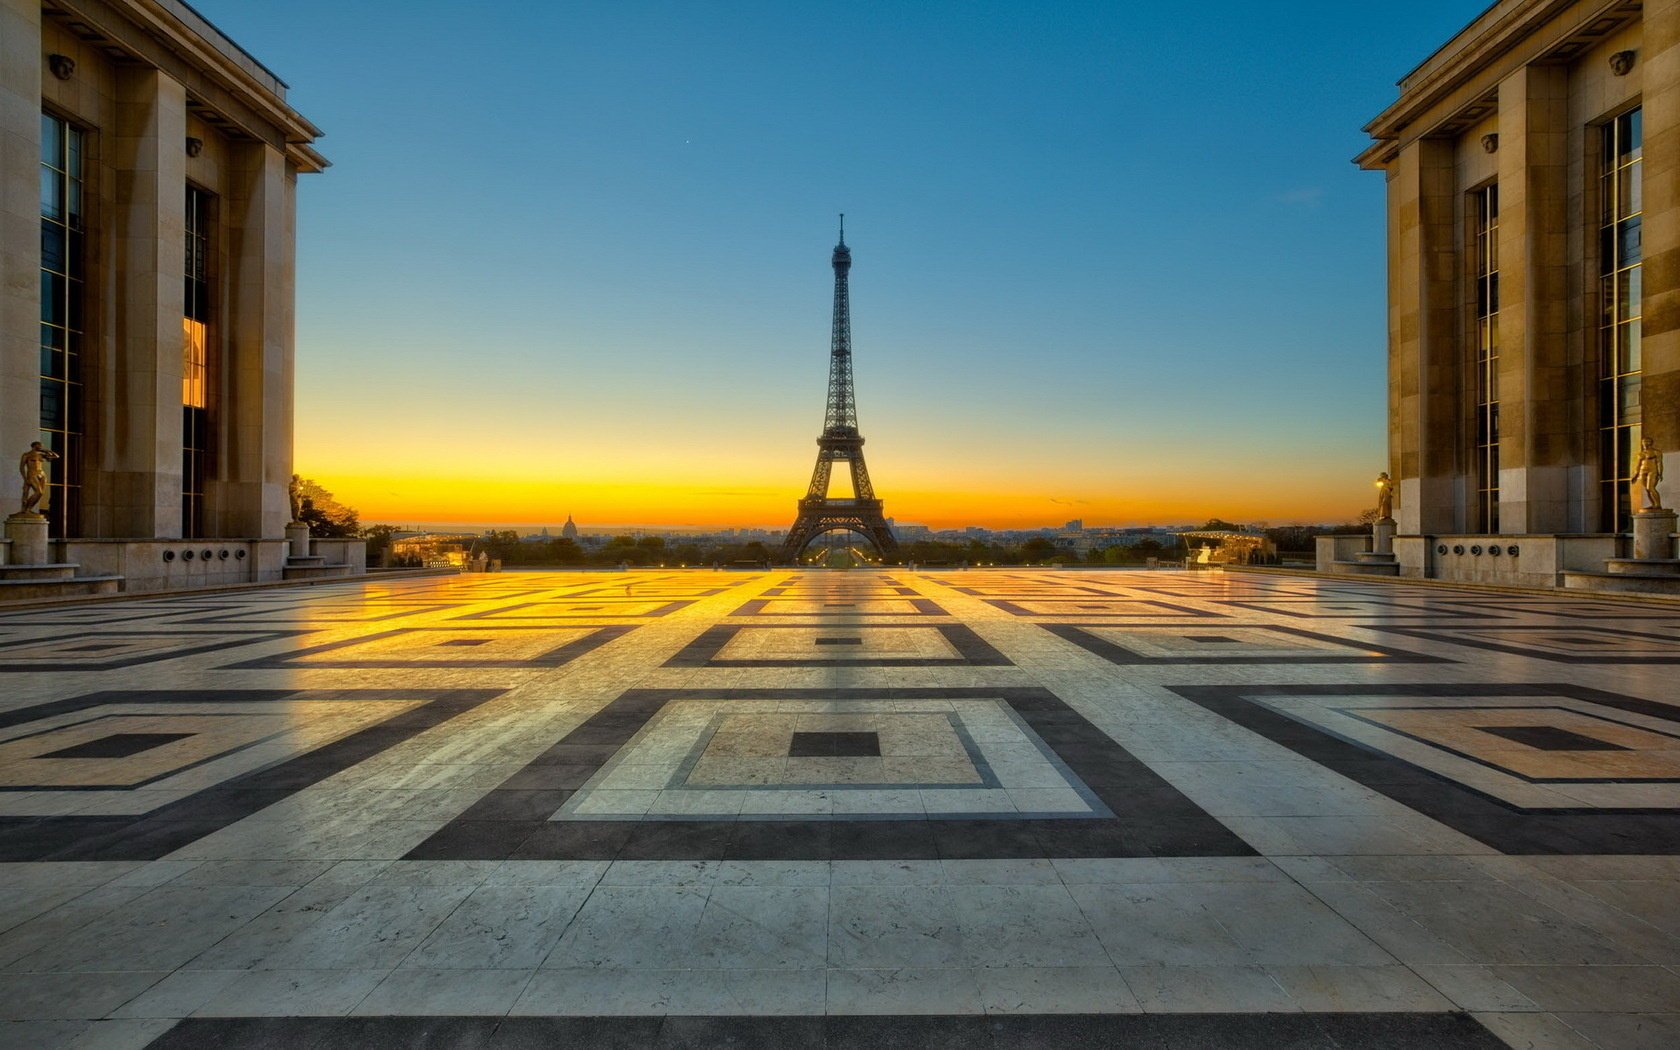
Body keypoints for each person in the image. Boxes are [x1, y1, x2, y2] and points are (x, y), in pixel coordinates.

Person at [19, 442, 59, 515]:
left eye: (41, 445)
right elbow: (21, 467)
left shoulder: (41, 455)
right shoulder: (27, 455)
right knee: (39, 492)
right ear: (34, 446)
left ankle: (29, 509)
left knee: (41, 494)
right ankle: (26, 509)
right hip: (32, 473)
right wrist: (25, 478)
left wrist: (47, 450)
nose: (41, 446)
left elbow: (56, 456)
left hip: (42, 474)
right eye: (39, 445)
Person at [1631, 437, 1664, 512]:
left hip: (1652, 471)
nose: (1644, 443)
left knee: (1650, 488)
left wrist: (1660, 473)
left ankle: (1658, 504)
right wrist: (1635, 475)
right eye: (1643, 442)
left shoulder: (1656, 452)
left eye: (1646, 441)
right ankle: (1653, 504)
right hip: (1643, 471)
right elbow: (1638, 465)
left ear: (1650, 442)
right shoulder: (1641, 454)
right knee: (1647, 489)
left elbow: (1659, 463)